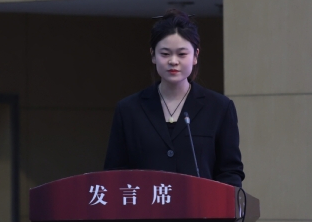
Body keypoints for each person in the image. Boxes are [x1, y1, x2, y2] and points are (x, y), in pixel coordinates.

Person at [103, 10, 244, 187]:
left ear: (195, 56)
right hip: (147, 203)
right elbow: (115, 172)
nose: (173, 61)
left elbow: (230, 171)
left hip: (199, 204)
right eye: (165, 54)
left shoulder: (219, 107)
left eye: (182, 54)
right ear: (153, 55)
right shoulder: (128, 109)